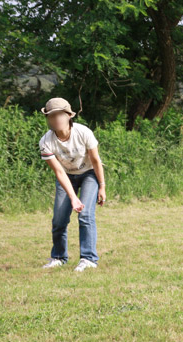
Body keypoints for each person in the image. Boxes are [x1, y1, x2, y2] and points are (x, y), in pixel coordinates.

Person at [38, 98, 106, 272]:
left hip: (89, 174)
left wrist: (102, 186)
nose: (56, 119)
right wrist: (73, 197)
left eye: (60, 115)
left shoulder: (83, 132)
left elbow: (96, 160)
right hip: (67, 177)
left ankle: (88, 258)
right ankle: (59, 257)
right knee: (59, 219)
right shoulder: (46, 142)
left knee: (85, 215)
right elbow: (59, 172)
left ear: (69, 116)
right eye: (51, 116)